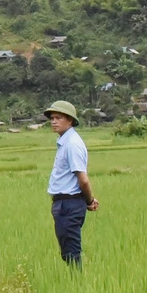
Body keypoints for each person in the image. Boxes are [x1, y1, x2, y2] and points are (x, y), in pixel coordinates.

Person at [42, 100, 99, 267]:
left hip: (69, 203)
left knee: (72, 253)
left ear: (70, 120)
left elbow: (83, 179)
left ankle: (78, 286)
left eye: (58, 117)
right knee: (67, 252)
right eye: (52, 118)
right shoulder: (65, 142)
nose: (53, 121)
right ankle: (75, 284)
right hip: (64, 203)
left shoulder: (72, 144)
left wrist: (89, 201)